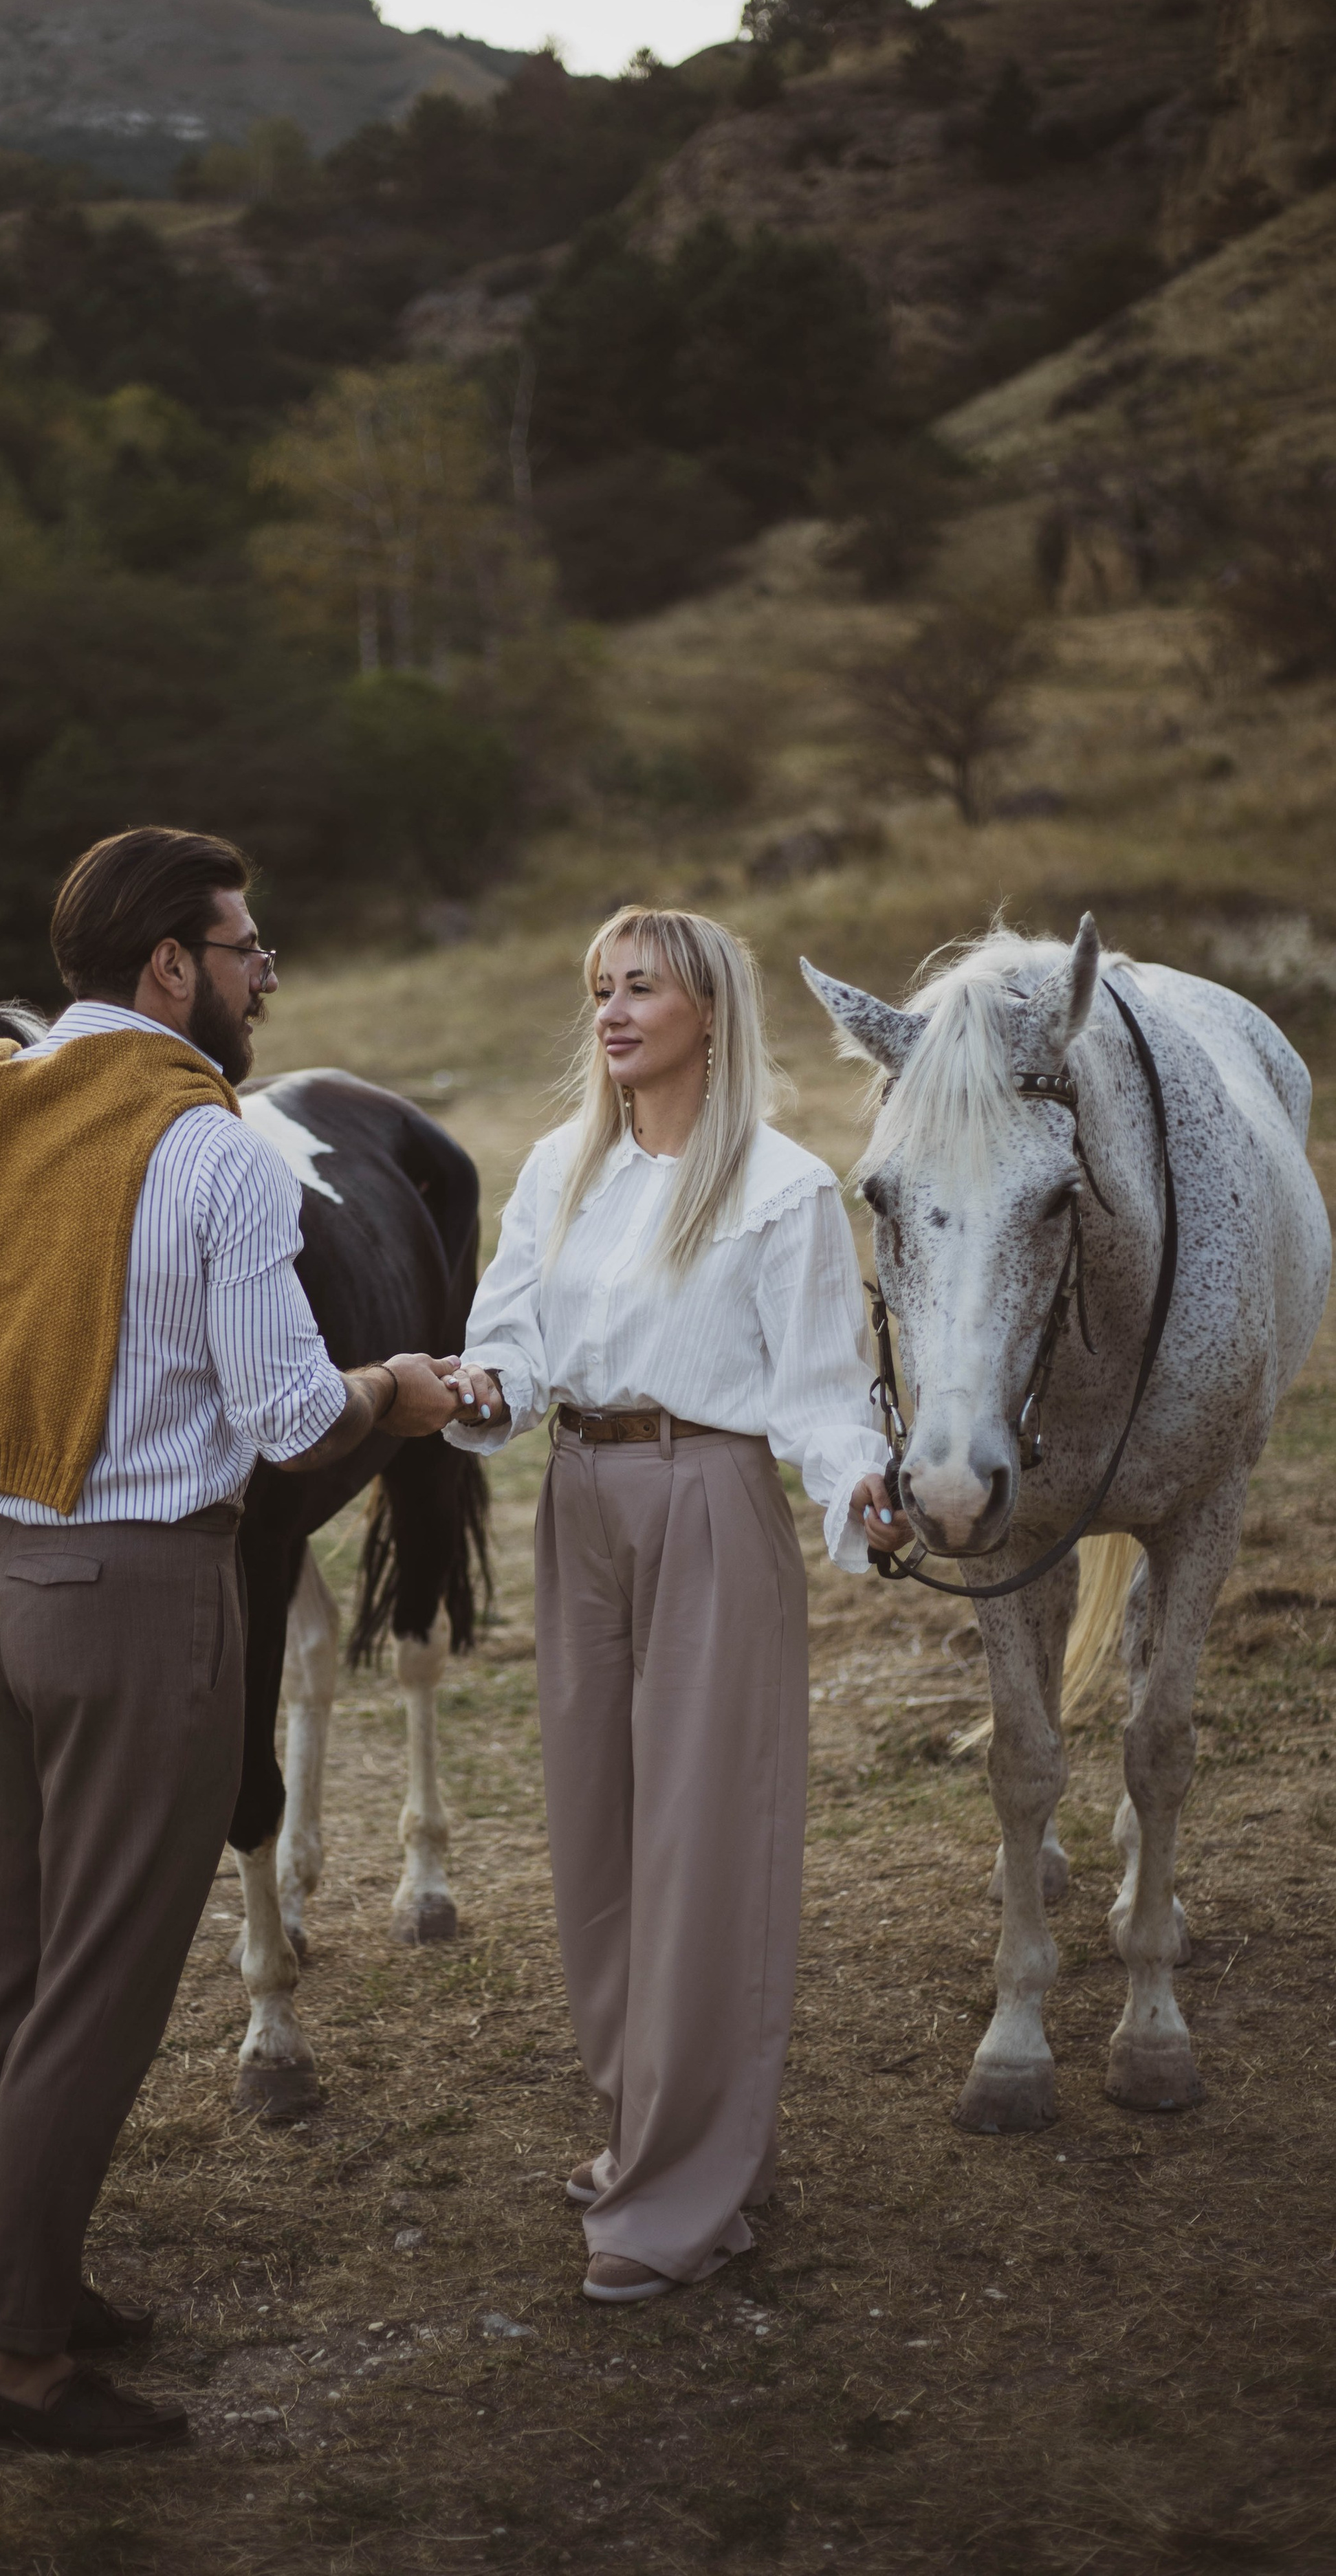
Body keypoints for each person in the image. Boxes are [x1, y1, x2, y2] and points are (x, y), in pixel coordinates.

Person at [0, 826, 459, 2449]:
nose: (263, 980)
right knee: (98, 1986)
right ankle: (7, 2363)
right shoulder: (210, 1151)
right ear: (171, 966)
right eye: (247, 950)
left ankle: (13, 2280)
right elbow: (292, 1420)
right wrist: (396, 1389)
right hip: (135, 1599)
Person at [443, 906, 910, 2305]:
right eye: (601, 987)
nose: (611, 1010)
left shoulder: (780, 1187)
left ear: (708, 1012)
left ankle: (676, 2194)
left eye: (640, 987)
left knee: (706, 1852)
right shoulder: (561, 1168)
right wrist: (486, 1384)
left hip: (707, 1498)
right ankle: (650, 2132)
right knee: (598, 1841)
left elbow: (820, 1388)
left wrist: (860, 1481)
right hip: (577, 1499)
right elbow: (512, 1335)